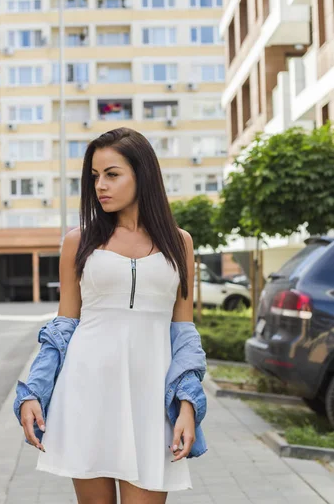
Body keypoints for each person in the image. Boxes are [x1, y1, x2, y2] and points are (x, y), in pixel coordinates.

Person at [14, 127, 207, 504]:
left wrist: (187, 403)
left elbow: (184, 331)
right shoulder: (78, 241)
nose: (100, 185)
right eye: (95, 176)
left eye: (112, 174)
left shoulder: (179, 242)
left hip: (151, 399)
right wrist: (34, 390)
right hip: (87, 391)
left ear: (142, 174)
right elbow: (63, 326)